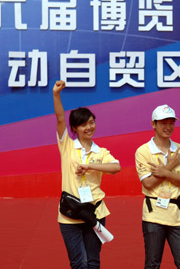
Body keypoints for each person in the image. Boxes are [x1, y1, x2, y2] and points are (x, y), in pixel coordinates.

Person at [53, 80, 121, 269]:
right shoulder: (66, 145)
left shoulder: (101, 152)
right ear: (74, 128)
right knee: (79, 263)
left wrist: (91, 167)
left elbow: (116, 167)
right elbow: (60, 119)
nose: (88, 127)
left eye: (91, 123)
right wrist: (56, 95)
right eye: (83, 125)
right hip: (70, 214)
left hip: (95, 212)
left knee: (93, 261)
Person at [135, 104, 180, 269]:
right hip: (154, 214)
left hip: (178, 214)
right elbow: (147, 183)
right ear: (153, 124)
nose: (168, 127)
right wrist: (170, 166)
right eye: (163, 123)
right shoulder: (143, 151)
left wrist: (163, 172)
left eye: (171, 123)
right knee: (153, 264)